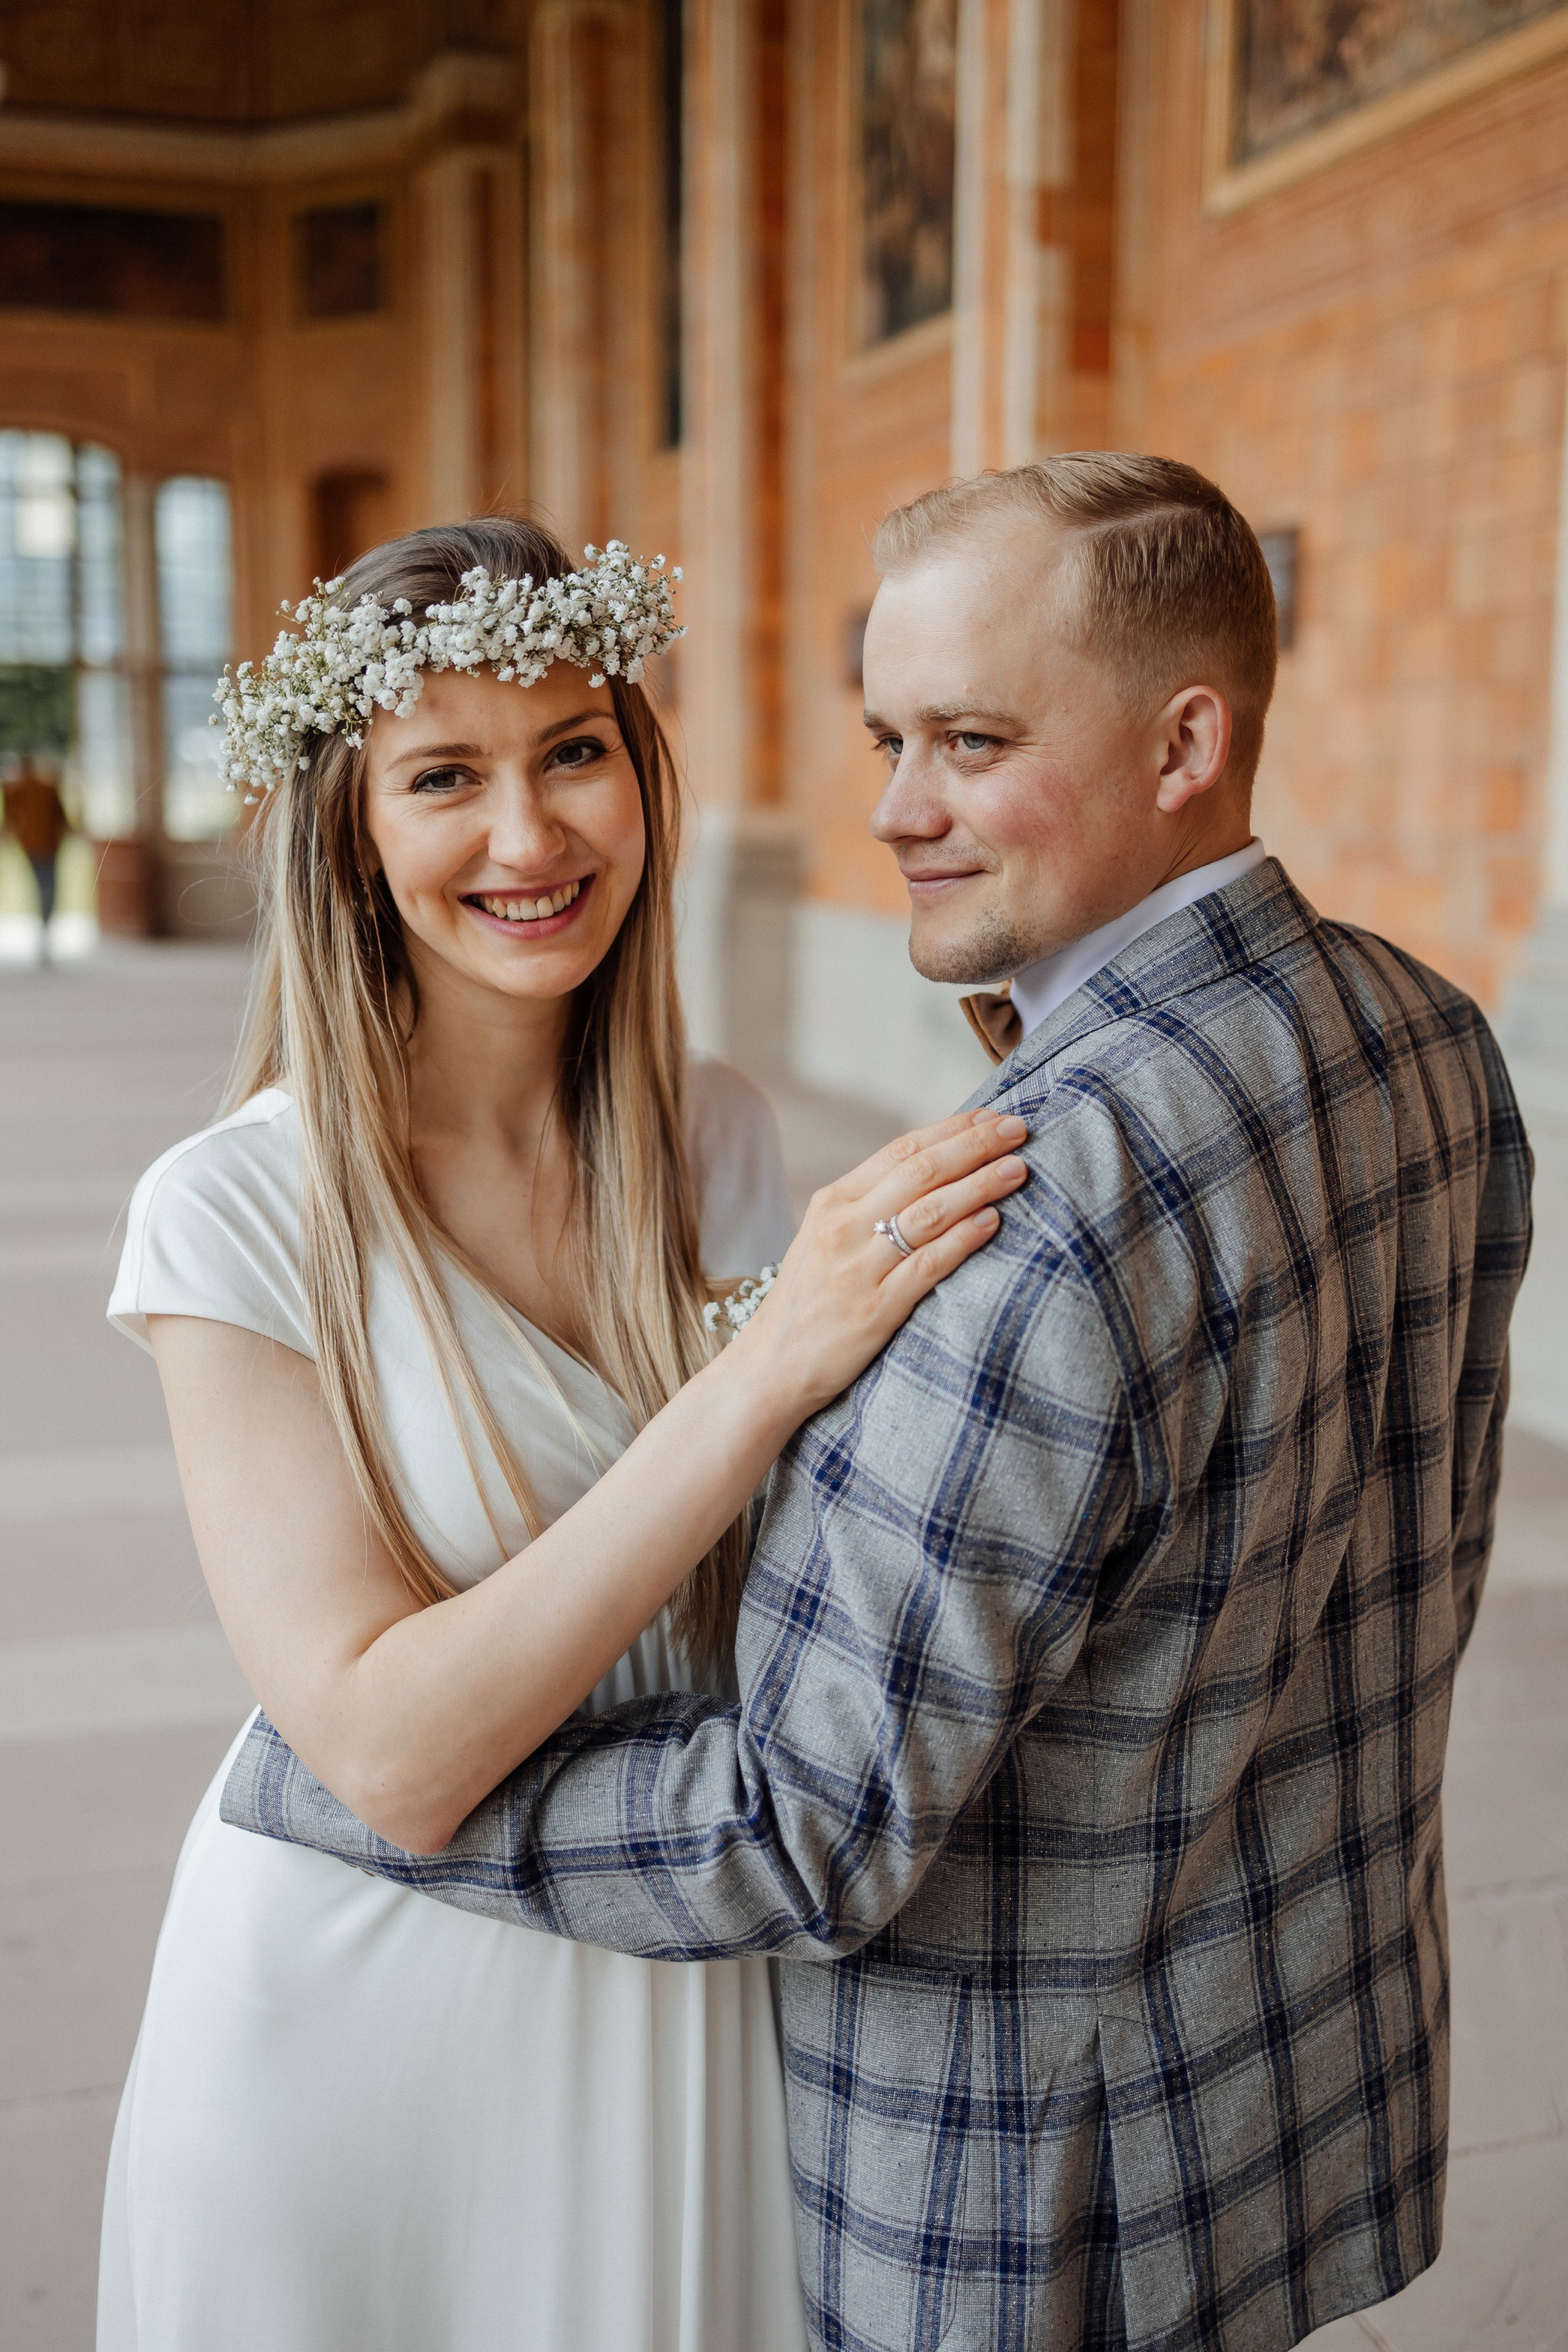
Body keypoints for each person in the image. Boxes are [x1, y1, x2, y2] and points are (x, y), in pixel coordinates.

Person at [225, 456, 1534, 2352]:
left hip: (1032, 2192)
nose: (893, 809)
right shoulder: (1427, 1031)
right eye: (885, 734)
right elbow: (1411, 1561)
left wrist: (342, 1784)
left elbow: (799, 1831)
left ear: (1188, 740)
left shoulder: (1027, 1205)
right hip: (1301, 2077)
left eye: (970, 741)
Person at [97, 515, 1030, 2352]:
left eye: (574, 753)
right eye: (445, 775)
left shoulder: (723, 1141)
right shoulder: (225, 1215)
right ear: (349, 834)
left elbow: (815, 1589)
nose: (530, 840)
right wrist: (755, 1375)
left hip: (677, 1972)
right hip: (354, 2026)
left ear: (639, 769)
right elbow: (383, 1746)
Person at [2, 755, 70, 937]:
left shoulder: (29, 790)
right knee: (48, 887)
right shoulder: (39, 789)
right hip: (42, 847)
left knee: (45, 887)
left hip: (40, 846)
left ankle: (45, 923)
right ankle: (45, 923)